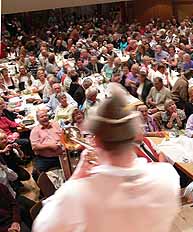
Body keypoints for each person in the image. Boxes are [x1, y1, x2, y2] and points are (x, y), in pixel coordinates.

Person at [33, 84, 180, 232]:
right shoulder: (167, 175)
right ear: (135, 135)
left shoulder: (76, 194)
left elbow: (42, 228)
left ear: (95, 141)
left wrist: (76, 177)